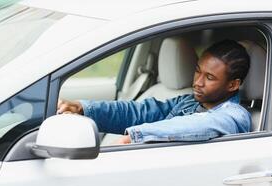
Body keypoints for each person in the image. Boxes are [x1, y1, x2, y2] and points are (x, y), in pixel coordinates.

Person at [57, 39, 251, 145]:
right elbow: (139, 112)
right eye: (198, 71)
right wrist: (83, 107)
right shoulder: (188, 102)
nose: (197, 82)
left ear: (233, 85)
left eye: (209, 77)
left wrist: (137, 136)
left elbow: (203, 124)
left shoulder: (234, 115)